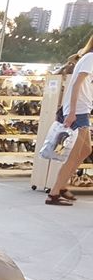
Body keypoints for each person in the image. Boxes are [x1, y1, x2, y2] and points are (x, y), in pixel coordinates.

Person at [48, 34, 93, 207]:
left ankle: (61, 186)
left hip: (82, 109)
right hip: (78, 111)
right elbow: (76, 85)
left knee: (85, 150)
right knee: (76, 153)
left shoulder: (88, 58)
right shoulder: (90, 58)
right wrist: (72, 112)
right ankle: (54, 192)